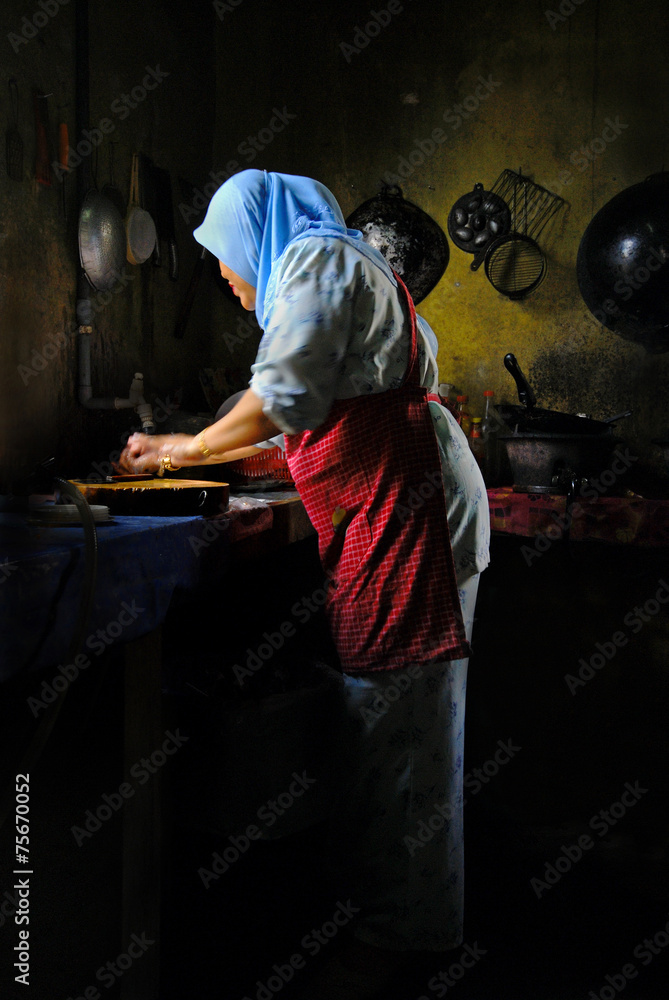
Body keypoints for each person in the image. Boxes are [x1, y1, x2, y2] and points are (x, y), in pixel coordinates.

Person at [119, 170, 489, 998]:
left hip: (412, 518)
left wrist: (177, 449)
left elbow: (284, 394)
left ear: (259, 231)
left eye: (223, 257)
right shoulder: (338, 263)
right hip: (406, 508)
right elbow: (318, 405)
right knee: (396, 724)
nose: (224, 276)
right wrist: (223, 445)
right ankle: (393, 919)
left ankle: (394, 937)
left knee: (401, 738)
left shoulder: (316, 261)